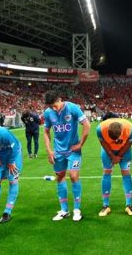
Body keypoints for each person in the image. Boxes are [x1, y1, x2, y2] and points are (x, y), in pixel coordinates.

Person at [43, 90, 90, 222]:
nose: (53, 108)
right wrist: (49, 150)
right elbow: (46, 132)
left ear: (60, 99)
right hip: (58, 152)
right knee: (60, 177)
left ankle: (76, 209)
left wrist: (81, 143)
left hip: (73, 151)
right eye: (50, 106)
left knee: (74, 176)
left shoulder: (72, 108)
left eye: (54, 105)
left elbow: (87, 125)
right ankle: (64, 210)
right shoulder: (48, 112)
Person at [96, 117, 132, 216]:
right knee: (107, 172)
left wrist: (118, 156)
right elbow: (103, 143)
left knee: (126, 172)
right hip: (107, 151)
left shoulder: (130, 128)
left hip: (125, 151)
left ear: (121, 131)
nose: (115, 140)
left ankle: (129, 205)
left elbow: (128, 144)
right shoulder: (100, 128)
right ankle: (105, 206)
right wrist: (112, 155)